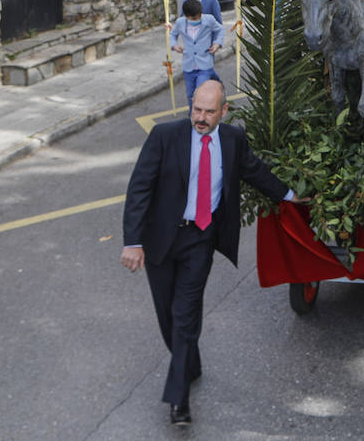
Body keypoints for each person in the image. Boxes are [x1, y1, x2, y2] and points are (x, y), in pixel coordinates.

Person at [121, 80, 298, 426]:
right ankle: (191, 362)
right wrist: (132, 242)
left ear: (224, 111)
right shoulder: (164, 137)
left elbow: (255, 172)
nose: (200, 118)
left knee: (186, 315)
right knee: (168, 318)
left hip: (200, 239)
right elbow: (139, 188)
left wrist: (291, 196)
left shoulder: (233, 140)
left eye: (209, 112)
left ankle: (178, 401)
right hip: (161, 240)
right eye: (196, 109)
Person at [170, 0, 224, 108]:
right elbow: (172, 34)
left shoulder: (209, 19)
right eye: (195, 18)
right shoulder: (180, 22)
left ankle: (195, 117)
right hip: (189, 65)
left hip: (204, 63)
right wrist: (174, 45)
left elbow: (220, 30)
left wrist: (217, 43)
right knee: (190, 94)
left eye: (200, 15)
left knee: (199, 93)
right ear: (186, 16)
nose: (198, 19)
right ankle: (192, 114)